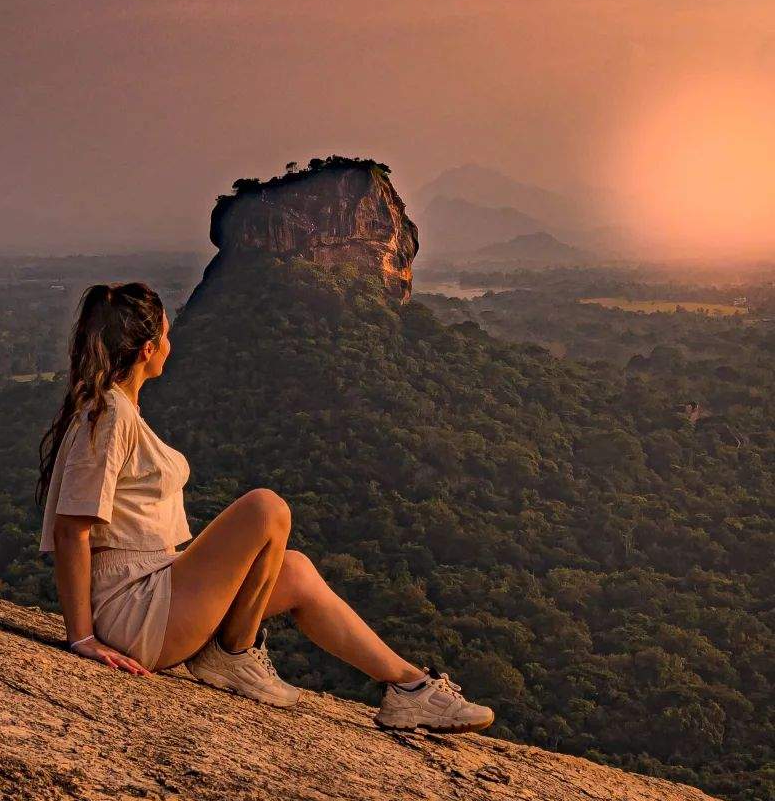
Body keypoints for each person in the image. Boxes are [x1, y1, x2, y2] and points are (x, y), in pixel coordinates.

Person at [36, 281, 494, 734]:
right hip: (133, 609)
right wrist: (83, 638)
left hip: (159, 590)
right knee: (265, 507)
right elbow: (71, 529)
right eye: (168, 337)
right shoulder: (109, 413)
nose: (171, 347)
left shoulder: (121, 412)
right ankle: (234, 653)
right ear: (148, 349)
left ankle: (409, 688)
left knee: (295, 571)